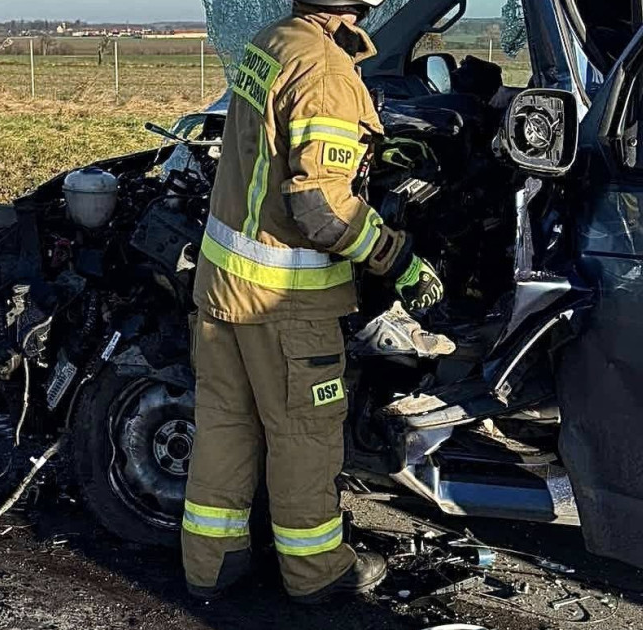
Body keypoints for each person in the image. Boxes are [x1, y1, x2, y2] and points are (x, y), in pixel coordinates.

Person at [183, 0, 445, 604]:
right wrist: (396, 258)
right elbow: (320, 209)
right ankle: (315, 571)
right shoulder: (326, 71)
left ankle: (210, 565)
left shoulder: (273, 41)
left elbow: (274, 151)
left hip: (225, 288)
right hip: (285, 305)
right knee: (303, 435)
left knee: (226, 425)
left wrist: (371, 155)